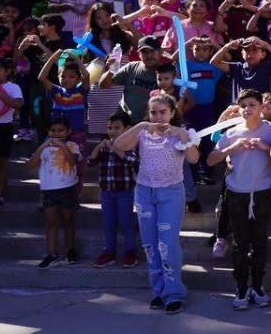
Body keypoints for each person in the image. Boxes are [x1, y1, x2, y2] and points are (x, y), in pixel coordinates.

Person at [110, 93, 199, 314]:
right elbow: (118, 144)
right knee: (150, 244)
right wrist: (140, 126)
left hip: (171, 193)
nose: (158, 117)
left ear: (172, 112)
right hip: (144, 193)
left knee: (167, 244)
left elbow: (194, 158)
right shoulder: (142, 132)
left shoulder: (179, 133)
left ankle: (174, 292)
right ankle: (158, 290)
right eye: (153, 112)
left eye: (163, 112)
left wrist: (182, 134)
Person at [208, 90, 271, 310]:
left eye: (252, 104)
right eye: (244, 105)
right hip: (236, 193)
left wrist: (265, 148)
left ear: (261, 107)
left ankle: (257, 286)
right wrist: (232, 148)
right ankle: (240, 287)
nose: (248, 109)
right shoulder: (232, 132)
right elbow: (211, 160)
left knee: (260, 242)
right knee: (239, 243)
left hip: (262, 193)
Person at [86, 112, 139, 269]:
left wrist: (115, 148)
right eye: (110, 128)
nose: (112, 131)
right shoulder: (104, 147)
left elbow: (131, 161)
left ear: (127, 129)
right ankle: (109, 252)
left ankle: (130, 252)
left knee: (126, 222)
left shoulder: (130, 144)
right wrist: (98, 147)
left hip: (124, 192)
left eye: (117, 128)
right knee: (108, 223)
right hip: (107, 192)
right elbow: (90, 161)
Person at [29, 116, 82, 269]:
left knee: (68, 220)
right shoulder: (44, 148)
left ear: (68, 131)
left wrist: (62, 146)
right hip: (48, 190)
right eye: (53, 130)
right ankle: (52, 254)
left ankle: (70, 250)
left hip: (68, 188)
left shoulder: (72, 145)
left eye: (61, 130)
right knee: (51, 222)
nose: (57, 134)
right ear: (48, 131)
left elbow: (72, 161)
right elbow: (32, 164)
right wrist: (42, 147)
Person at [0, 58, 21, 210]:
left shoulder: (12, 87)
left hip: (2, 128)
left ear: (7, 72)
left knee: (0, 163)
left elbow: (18, 104)